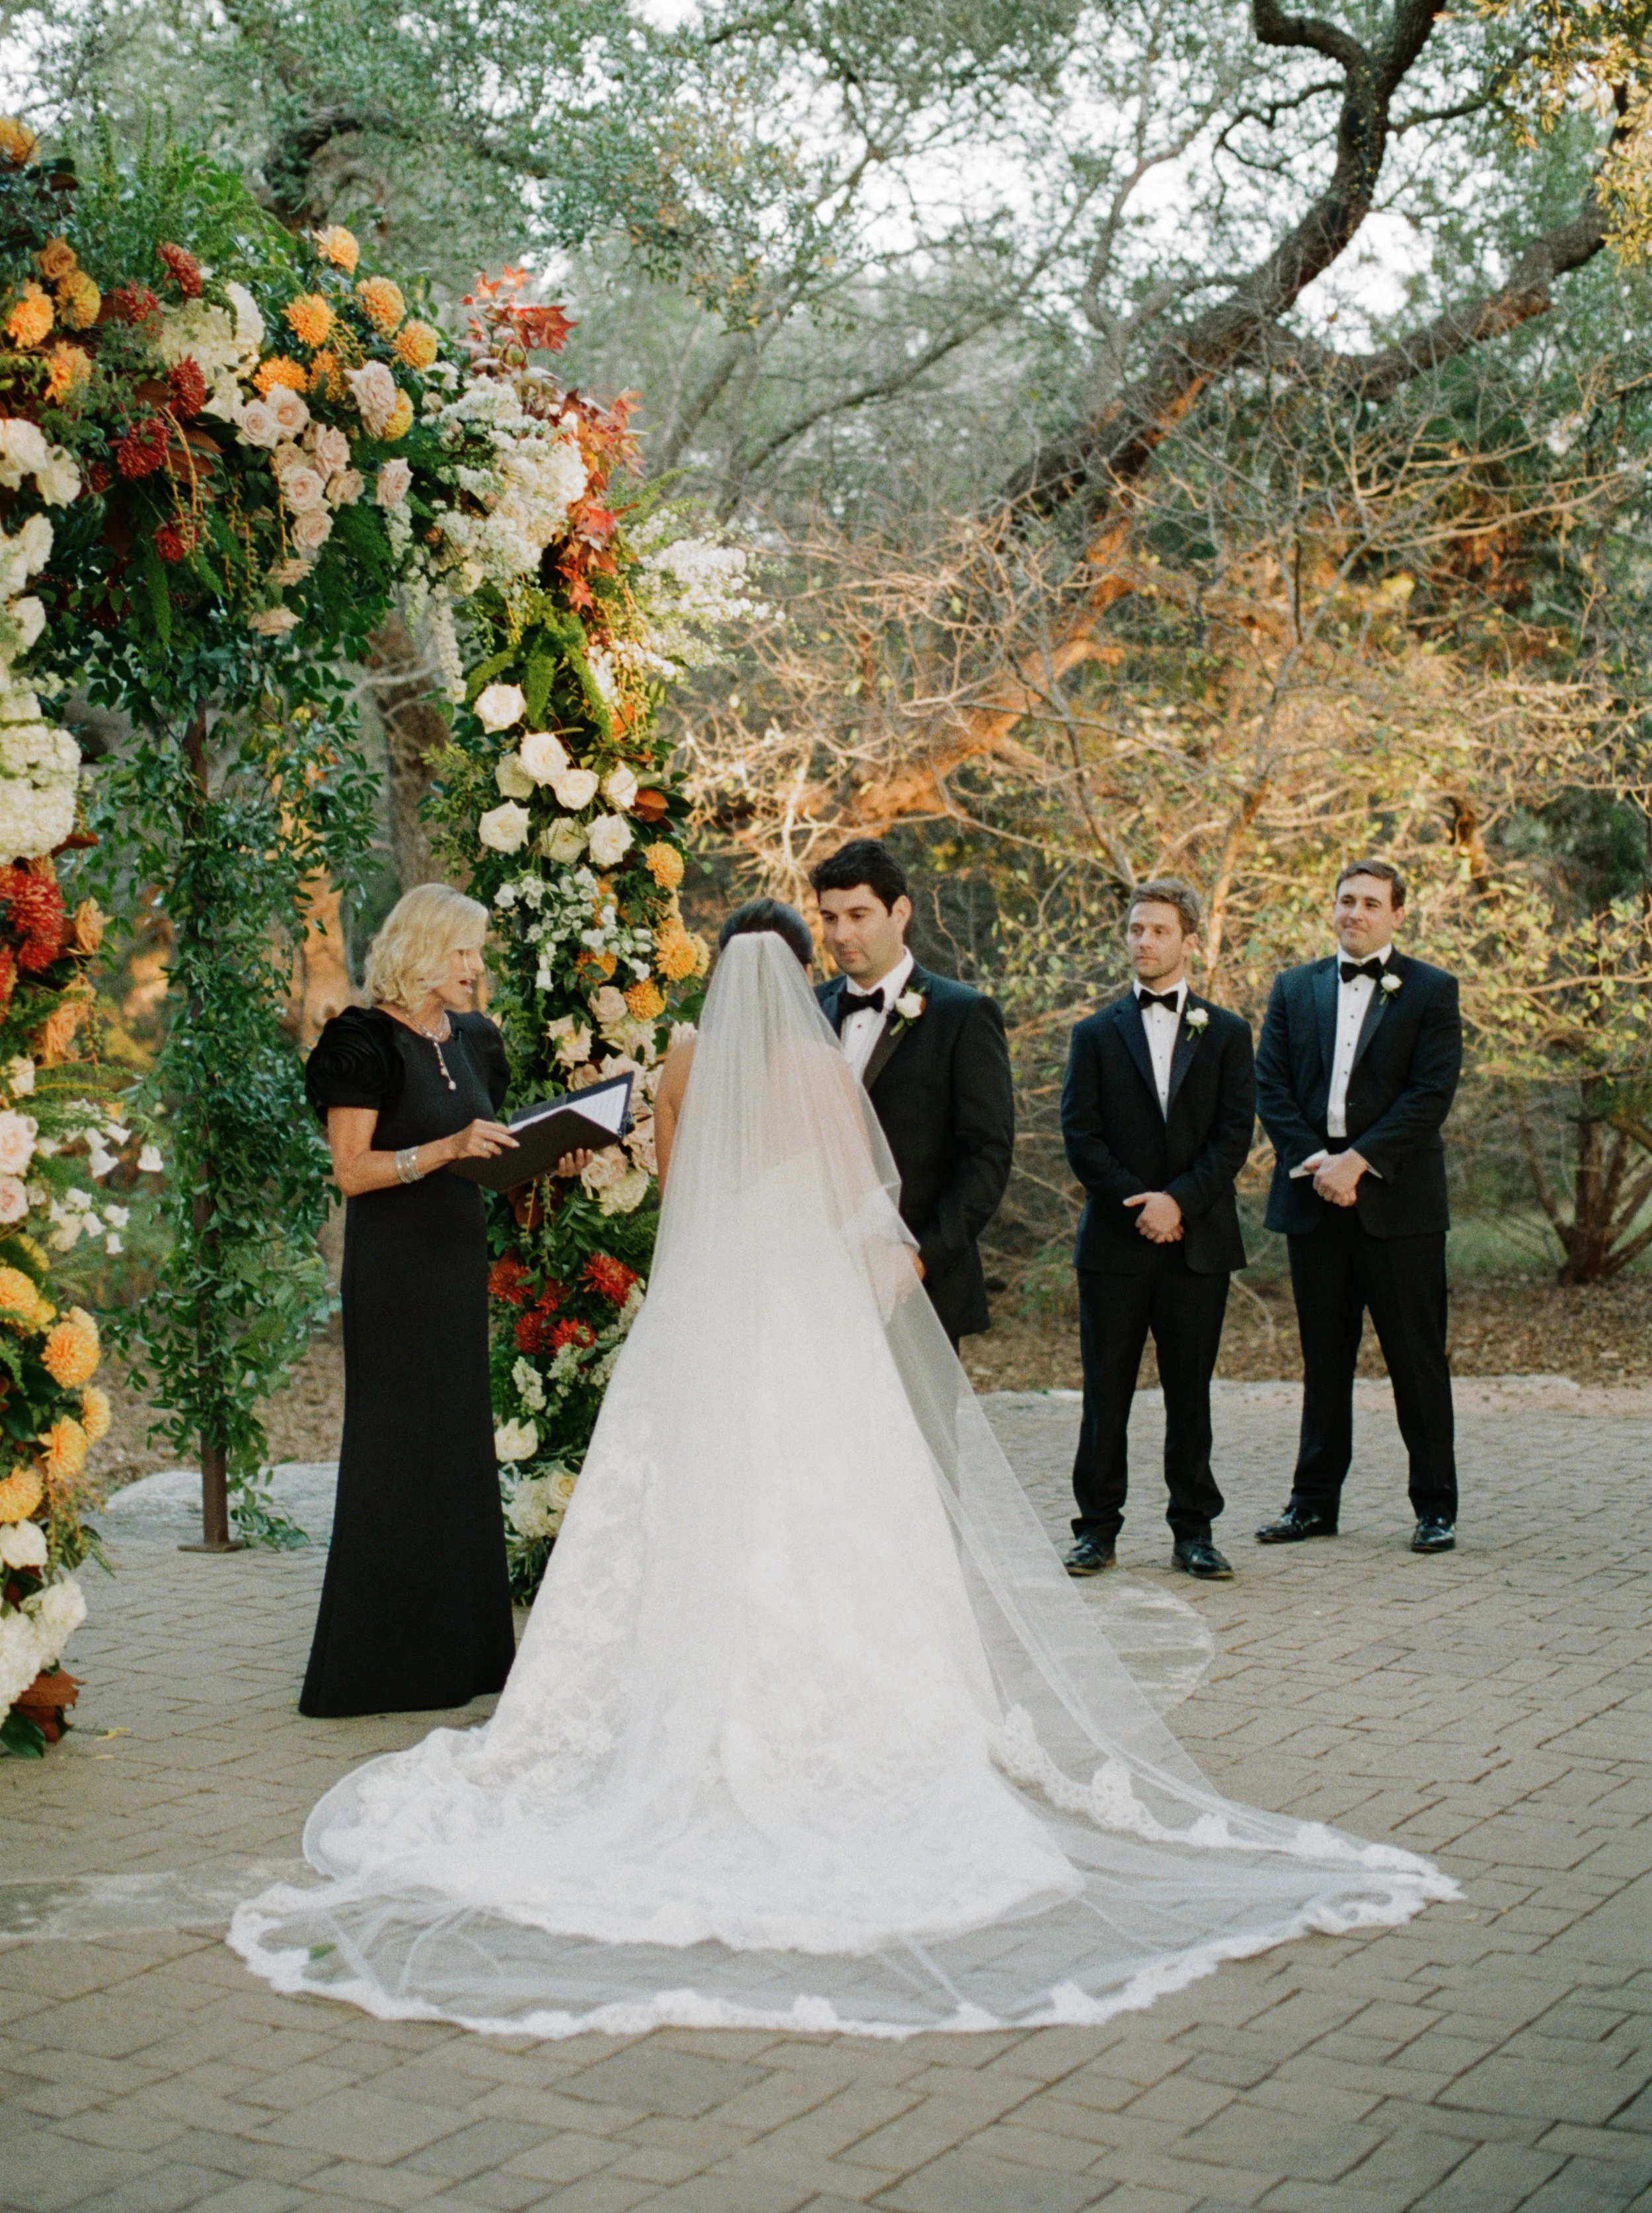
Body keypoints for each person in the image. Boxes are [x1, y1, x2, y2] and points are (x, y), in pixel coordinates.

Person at [231, 916, 1452, 2041]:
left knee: (681, 1489)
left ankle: (660, 1695)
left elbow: (662, 1172)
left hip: (708, 1301)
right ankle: (857, 1705)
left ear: (718, 973)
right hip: (799, 1299)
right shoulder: (822, 1062)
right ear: (802, 969)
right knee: (835, 1495)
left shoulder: (681, 1057)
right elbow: (860, 1191)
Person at [299, 884, 578, 1719]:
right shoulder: (360, 1041)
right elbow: (352, 1172)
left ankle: (468, 1657)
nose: (475, 968)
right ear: (422, 949)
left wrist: (548, 1157)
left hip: (459, 1267)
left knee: (458, 1454)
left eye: (478, 952)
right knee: (395, 1456)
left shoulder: (478, 1040)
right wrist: (446, 1148)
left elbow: (488, 1154)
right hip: (392, 1275)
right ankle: (372, 1671)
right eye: (464, 952)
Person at [1253, 860, 1463, 1555]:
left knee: (1416, 1360)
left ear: (1395, 914)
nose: (1355, 913)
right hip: (1315, 1196)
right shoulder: (1293, 987)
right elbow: (1271, 1085)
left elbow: (1430, 1093)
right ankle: (1313, 1503)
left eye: (1371, 903)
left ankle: (1434, 1506)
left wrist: (1359, 1161)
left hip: (1395, 1203)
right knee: (1323, 1361)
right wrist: (1319, 1161)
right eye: (1345, 900)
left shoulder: (1431, 990)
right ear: (1331, 908)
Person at [1060, 880, 1255, 1583]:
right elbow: (1079, 1136)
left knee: (1189, 1392)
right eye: (1135, 930)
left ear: (1188, 940)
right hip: (1114, 1246)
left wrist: (1178, 1203)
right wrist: (1139, 1205)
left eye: (1158, 931)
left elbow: (1235, 1135)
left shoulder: (1227, 1032)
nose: (1143, 942)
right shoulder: (1093, 1033)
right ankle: (1095, 1529)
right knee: (1104, 1392)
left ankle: (1194, 1530)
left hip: (1196, 1244)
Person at [809, 839, 1014, 1347]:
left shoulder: (964, 1015)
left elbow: (987, 1156)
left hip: (920, 1286)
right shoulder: (806, 1011)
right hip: (817, 1284)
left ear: (899, 911)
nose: (842, 934)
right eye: (830, 918)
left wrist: (919, 1256)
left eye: (858, 914)